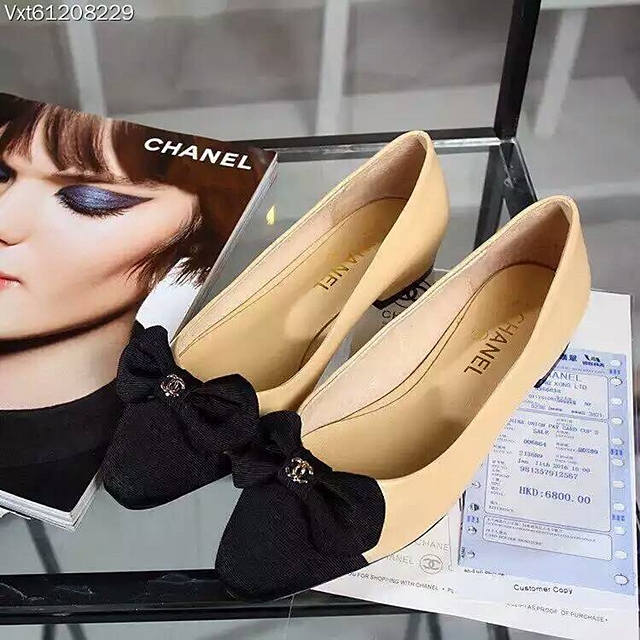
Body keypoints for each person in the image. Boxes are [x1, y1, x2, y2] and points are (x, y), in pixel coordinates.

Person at [0, 93, 268, 510]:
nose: (4, 220)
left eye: (92, 200)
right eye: (0, 174)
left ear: (195, 236)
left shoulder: (153, 438)